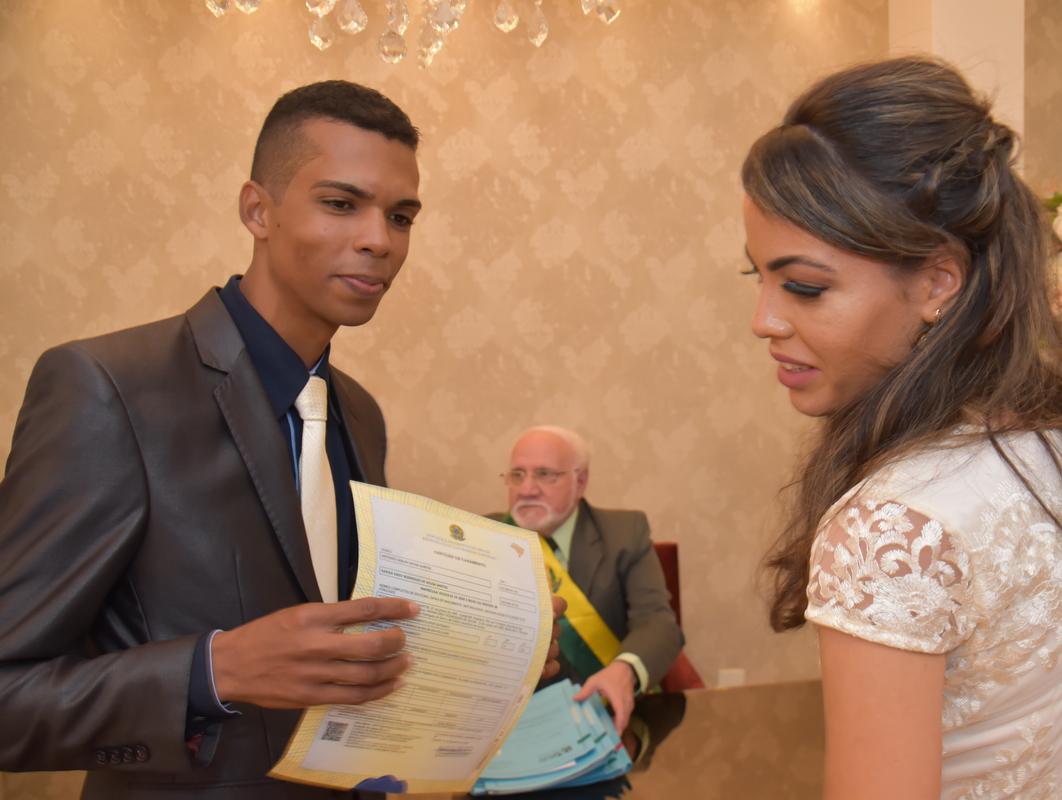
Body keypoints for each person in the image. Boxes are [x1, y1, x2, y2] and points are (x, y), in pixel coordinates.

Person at [0, 81, 561, 799]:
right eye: (341, 203)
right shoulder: (109, 388)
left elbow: (341, 654)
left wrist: (486, 660)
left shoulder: (359, 414)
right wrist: (214, 671)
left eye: (401, 216)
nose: (379, 240)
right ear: (256, 210)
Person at [742, 57, 1062, 799]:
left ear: (938, 282)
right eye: (760, 277)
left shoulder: (892, 529)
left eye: (804, 286)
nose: (764, 320)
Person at [490, 426, 683, 734]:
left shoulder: (625, 533)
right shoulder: (482, 535)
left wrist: (624, 670)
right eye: (517, 474)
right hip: (510, 726)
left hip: (605, 719)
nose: (526, 489)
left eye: (544, 474)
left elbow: (657, 621)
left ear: (580, 481)